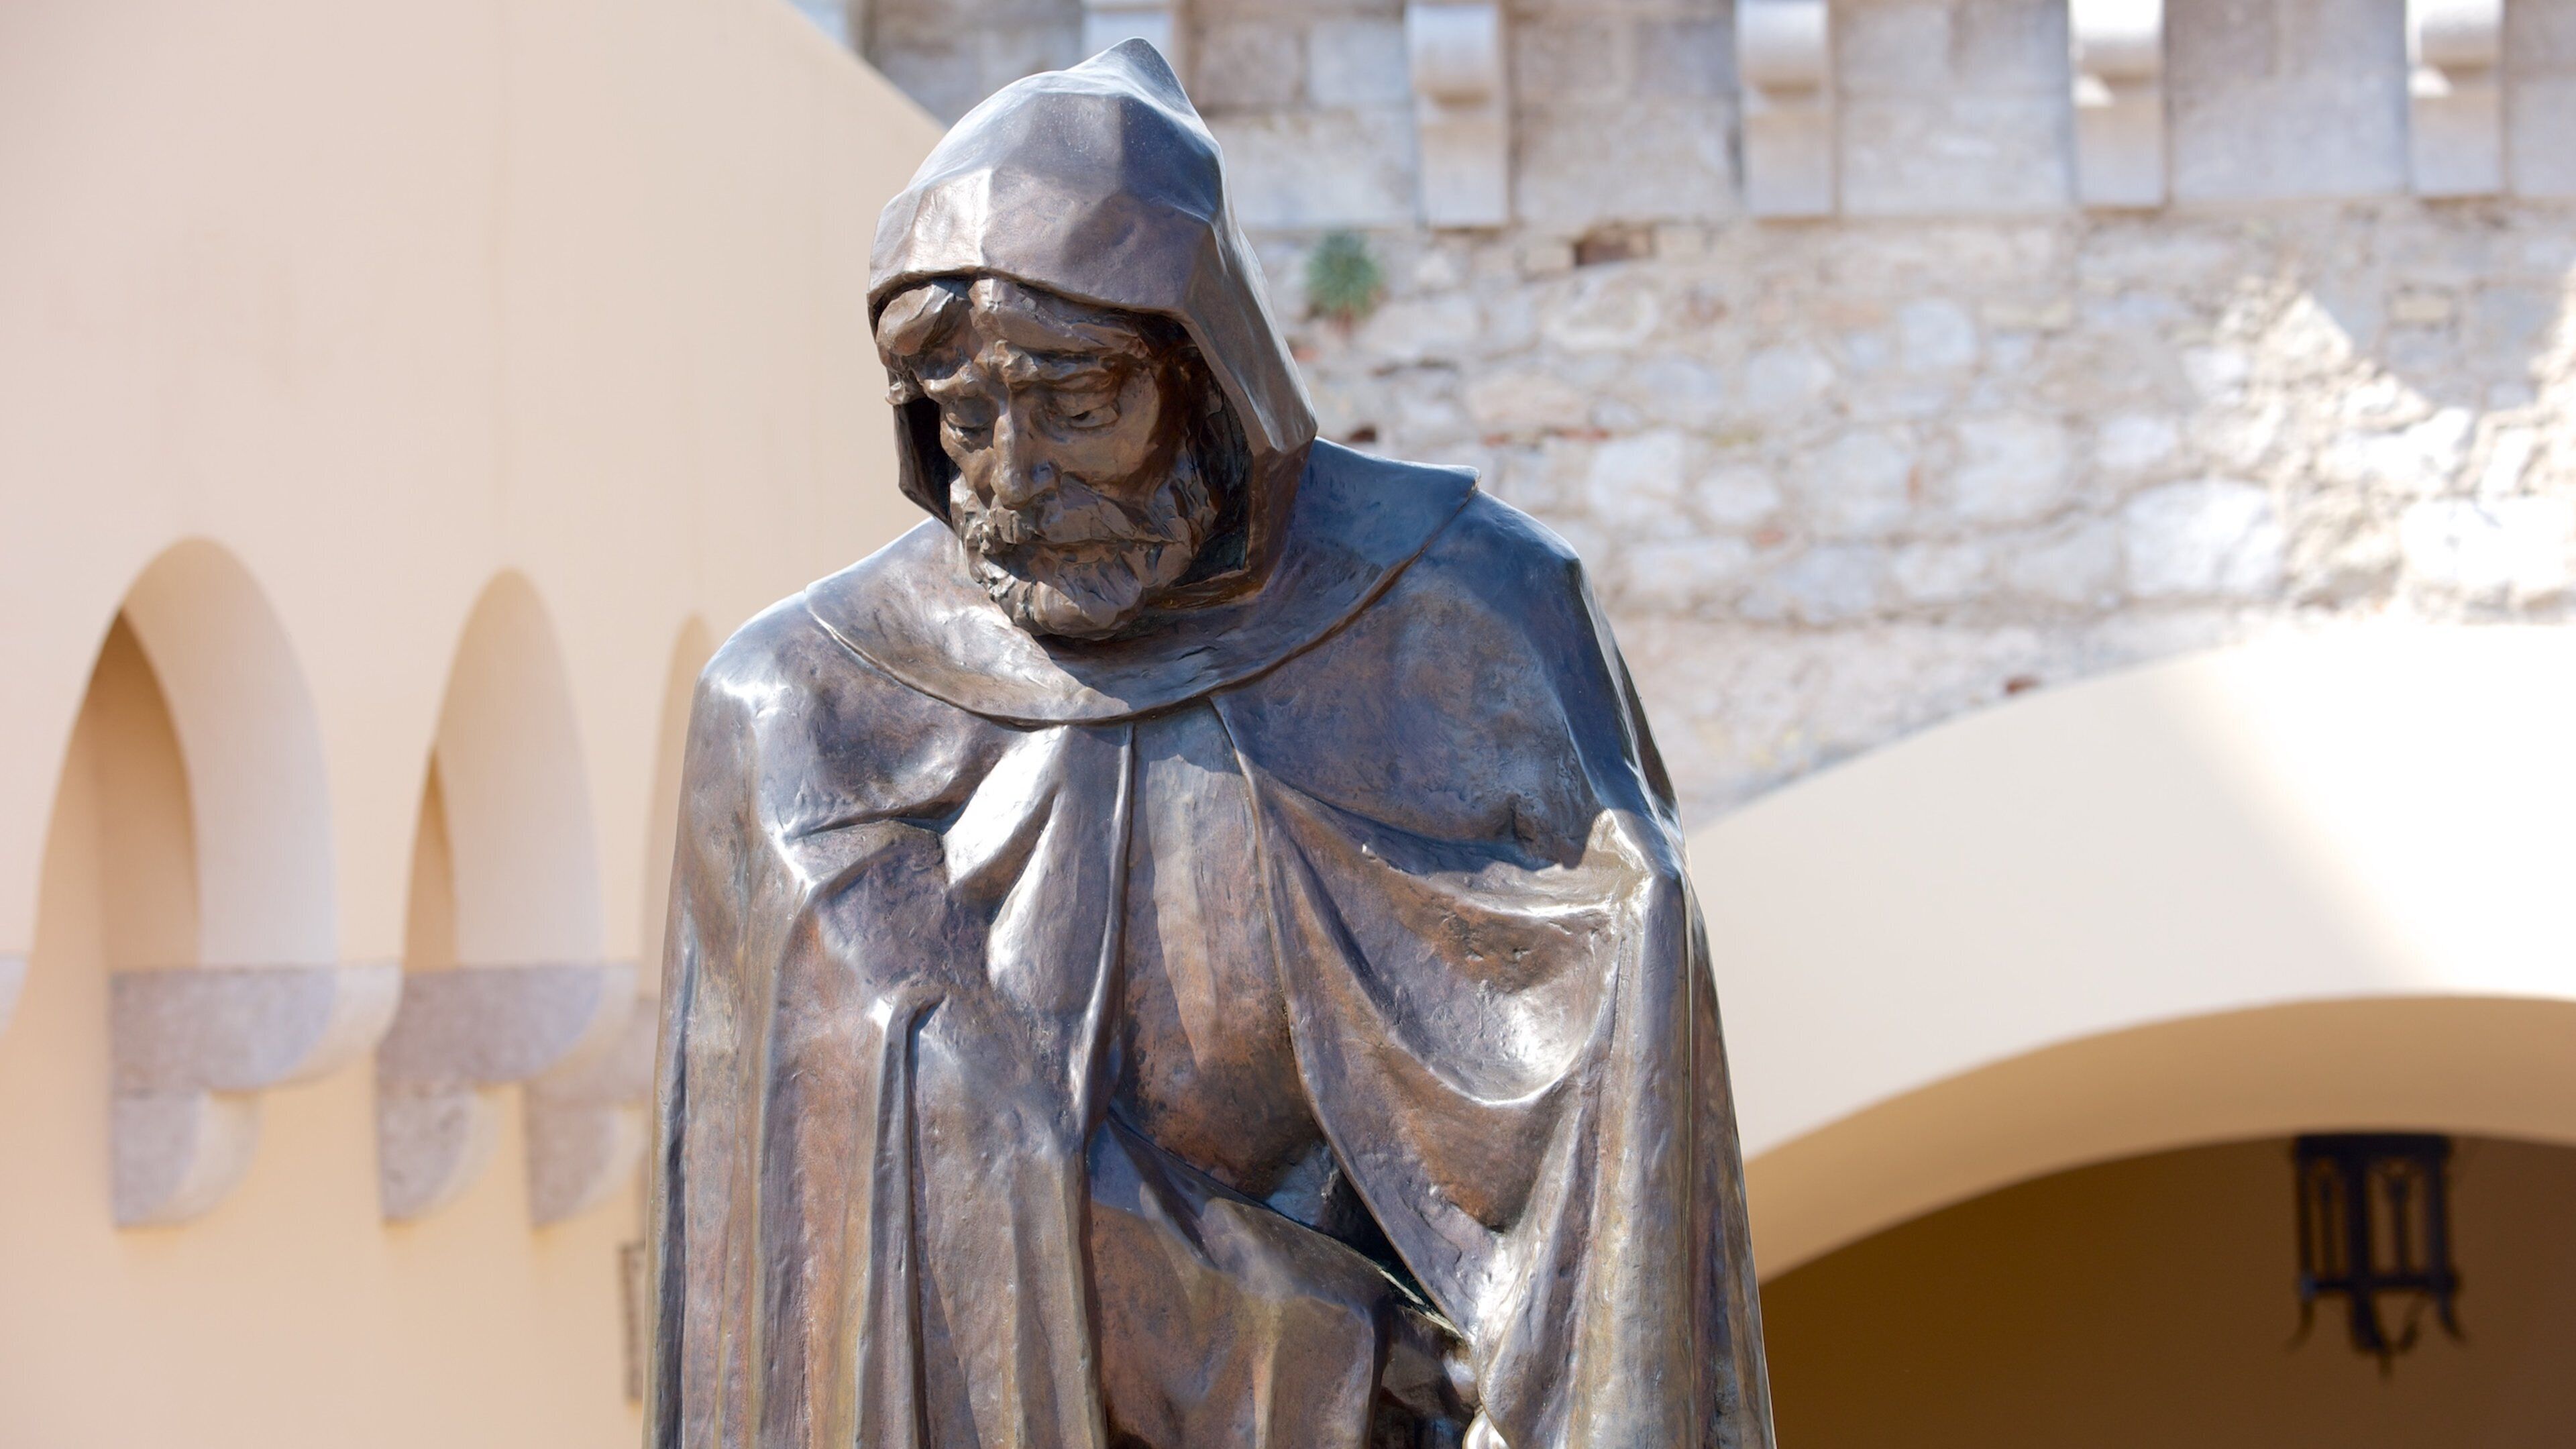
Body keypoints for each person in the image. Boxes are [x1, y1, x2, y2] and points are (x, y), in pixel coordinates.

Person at [647, 41, 1771, 1449]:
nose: (1015, 485)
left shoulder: (1454, 616)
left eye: (1079, 407)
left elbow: (1610, 1116)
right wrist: (1331, 1354)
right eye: (966, 418)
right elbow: (921, 1137)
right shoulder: (811, 710)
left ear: (1207, 375)